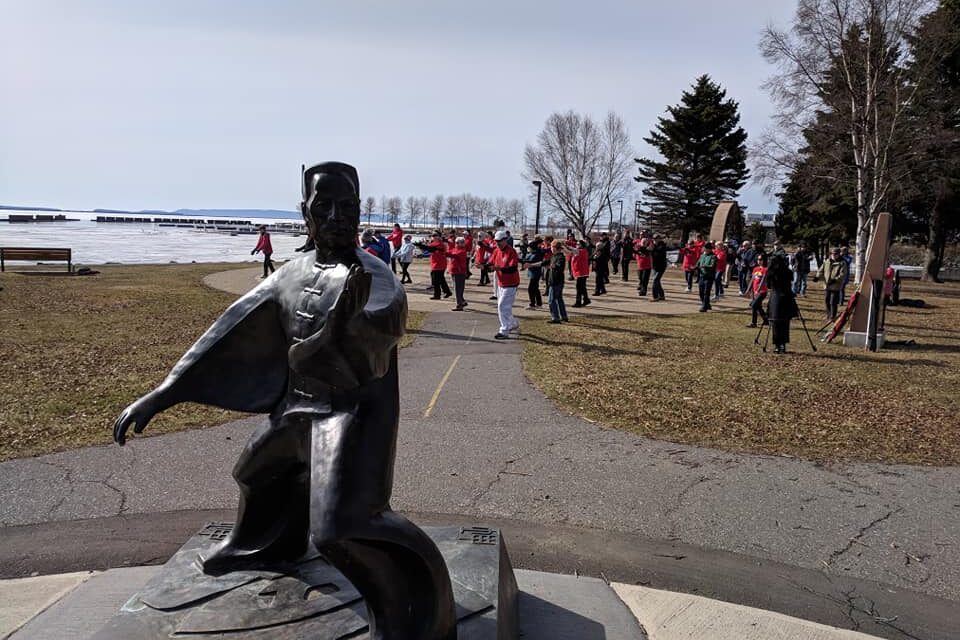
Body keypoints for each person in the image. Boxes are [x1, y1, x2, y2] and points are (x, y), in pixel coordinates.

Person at [113, 161, 457, 637]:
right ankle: (268, 546)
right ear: (305, 213)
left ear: (360, 213)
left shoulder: (372, 276)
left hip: (350, 413)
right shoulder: (291, 272)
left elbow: (382, 319)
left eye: (348, 207)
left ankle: (417, 610)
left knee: (344, 529)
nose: (337, 216)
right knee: (256, 472)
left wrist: (340, 330)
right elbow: (230, 327)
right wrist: (165, 391)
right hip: (296, 409)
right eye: (325, 206)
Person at [490, 229, 521, 339]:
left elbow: (512, 268)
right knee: (504, 307)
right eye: (496, 241)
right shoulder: (496, 250)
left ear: (505, 240)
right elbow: (490, 263)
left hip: (511, 282)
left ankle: (504, 330)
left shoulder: (511, 251)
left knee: (502, 306)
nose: (498, 243)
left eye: (500, 241)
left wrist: (498, 268)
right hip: (501, 282)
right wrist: (484, 266)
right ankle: (513, 324)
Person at [766, 253, 796, 354]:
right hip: (787, 298)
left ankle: (777, 345)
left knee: (776, 322)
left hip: (776, 298)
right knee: (784, 322)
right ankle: (782, 344)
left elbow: (769, 285)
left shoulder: (772, 272)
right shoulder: (788, 271)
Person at [815, 247, 848, 321]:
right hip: (827, 285)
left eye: (835, 254)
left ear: (839, 254)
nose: (833, 255)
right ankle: (828, 315)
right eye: (832, 254)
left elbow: (843, 274)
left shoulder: (842, 263)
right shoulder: (827, 261)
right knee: (827, 300)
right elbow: (821, 270)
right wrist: (817, 276)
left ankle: (833, 316)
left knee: (833, 301)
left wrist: (834, 280)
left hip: (836, 285)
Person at [420, 231, 452, 300]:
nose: (433, 237)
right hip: (435, 263)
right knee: (441, 279)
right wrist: (421, 247)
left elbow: (433, 249)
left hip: (440, 264)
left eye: (435, 235)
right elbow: (428, 250)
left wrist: (424, 247)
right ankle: (447, 292)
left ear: (439, 236)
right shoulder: (433, 243)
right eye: (433, 235)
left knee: (436, 280)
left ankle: (437, 295)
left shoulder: (441, 244)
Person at [545, 239, 569, 323]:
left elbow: (559, 267)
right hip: (555, 281)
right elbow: (545, 263)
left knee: (551, 300)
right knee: (559, 299)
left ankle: (555, 317)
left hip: (556, 282)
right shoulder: (553, 256)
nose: (551, 248)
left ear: (555, 248)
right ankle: (564, 316)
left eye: (551, 247)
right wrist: (532, 264)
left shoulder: (560, 257)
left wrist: (553, 266)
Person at [522, 235, 545, 309]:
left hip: (536, 274)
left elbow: (532, 262)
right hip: (531, 273)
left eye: (530, 247)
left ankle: (532, 304)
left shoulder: (537, 254)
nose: (528, 248)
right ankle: (539, 303)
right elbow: (525, 260)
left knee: (531, 289)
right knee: (535, 288)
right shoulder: (531, 253)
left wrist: (527, 263)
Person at [447, 237, 469, 310]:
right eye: (456, 242)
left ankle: (459, 304)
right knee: (458, 288)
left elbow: (454, 255)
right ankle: (462, 301)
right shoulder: (455, 249)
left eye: (458, 243)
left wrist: (444, 253)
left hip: (459, 272)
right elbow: (449, 252)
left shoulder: (462, 251)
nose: (456, 244)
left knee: (458, 289)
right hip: (455, 271)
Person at [747, 252, 769, 327]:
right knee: (758, 307)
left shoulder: (765, 269)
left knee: (754, 305)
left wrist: (758, 290)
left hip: (762, 291)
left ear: (764, 260)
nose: (759, 261)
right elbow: (752, 280)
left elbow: (763, 280)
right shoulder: (755, 269)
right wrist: (748, 290)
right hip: (754, 291)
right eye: (758, 259)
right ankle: (766, 320)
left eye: (761, 259)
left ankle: (754, 323)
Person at [696, 242, 717, 311]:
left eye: (705, 248)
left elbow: (712, 266)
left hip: (709, 277)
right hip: (702, 276)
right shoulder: (702, 256)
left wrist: (705, 266)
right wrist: (693, 267)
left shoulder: (713, 256)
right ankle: (707, 304)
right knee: (701, 292)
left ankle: (704, 307)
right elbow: (698, 264)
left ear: (709, 249)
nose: (704, 249)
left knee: (706, 292)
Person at [571, 240, 591, 307]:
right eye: (577, 244)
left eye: (579, 244)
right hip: (581, 272)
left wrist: (565, 245)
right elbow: (569, 252)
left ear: (582, 245)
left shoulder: (582, 251)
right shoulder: (578, 251)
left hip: (581, 272)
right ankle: (586, 299)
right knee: (582, 287)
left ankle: (578, 302)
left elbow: (572, 249)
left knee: (579, 288)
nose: (577, 245)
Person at [650, 234, 668, 301]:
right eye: (654, 238)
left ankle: (655, 297)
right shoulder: (654, 245)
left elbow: (659, 254)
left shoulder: (662, 246)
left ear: (659, 239)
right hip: (655, 266)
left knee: (655, 280)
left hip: (661, 266)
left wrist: (653, 249)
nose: (654, 240)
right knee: (657, 281)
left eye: (656, 238)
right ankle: (662, 296)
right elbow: (651, 253)